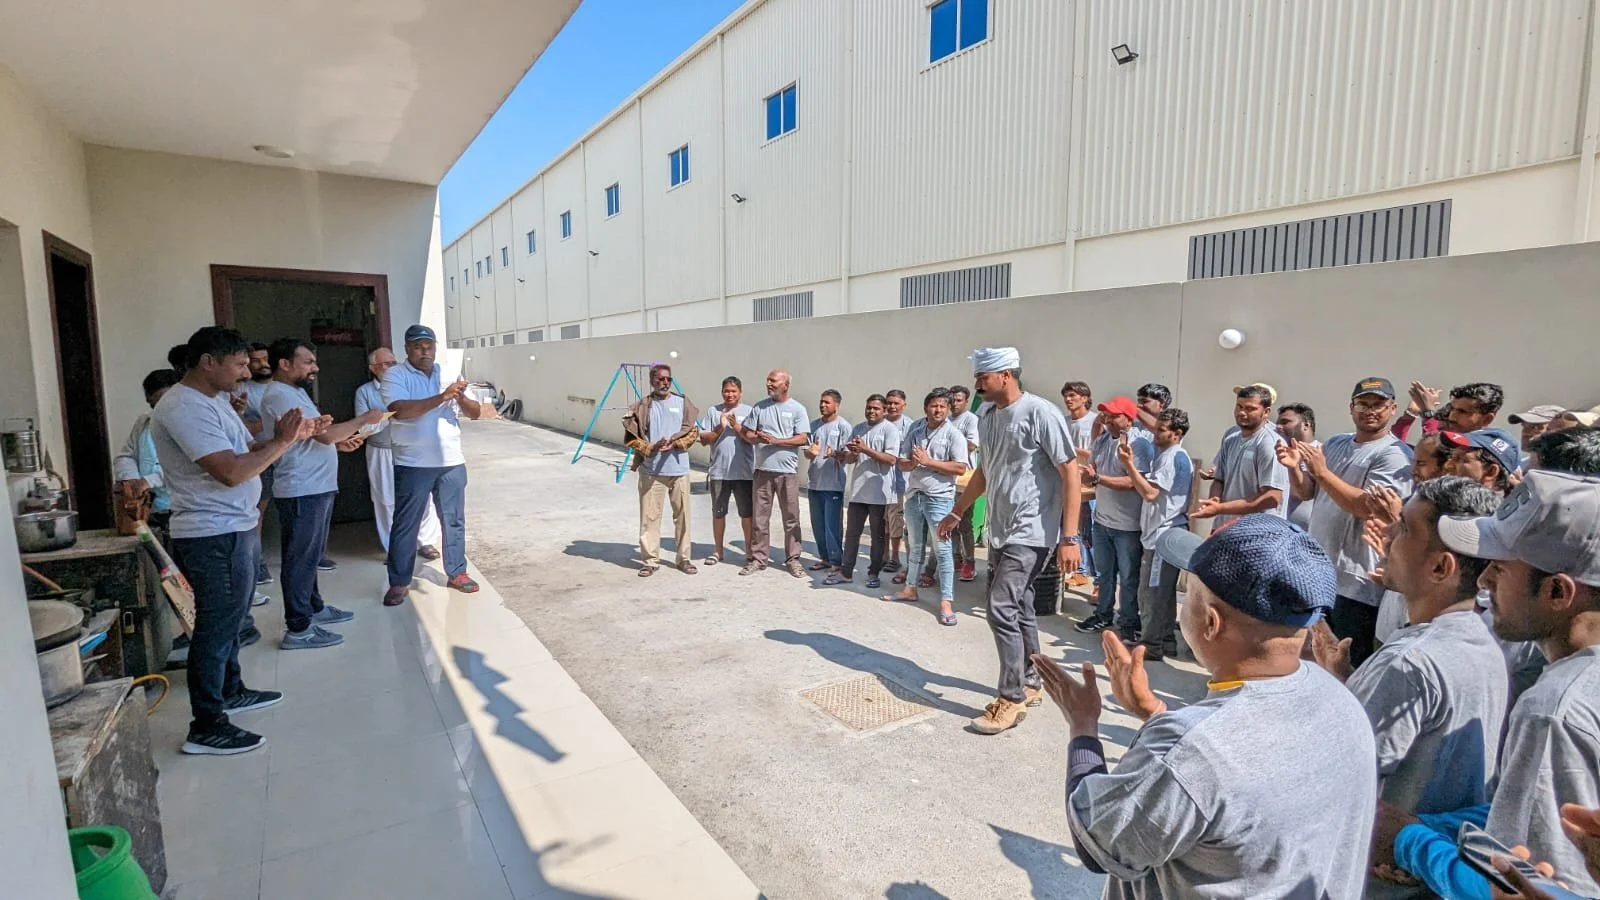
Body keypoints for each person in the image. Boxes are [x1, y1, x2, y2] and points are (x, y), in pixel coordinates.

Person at [1035, 514, 1376, 897]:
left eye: (1188, 594)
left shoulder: (1192, 749)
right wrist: (1156, 715)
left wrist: (1083, 725)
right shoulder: (1343, 701)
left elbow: (1098, 845)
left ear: (1211, 622)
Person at [1382, 470, 1600, 899]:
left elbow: (1527, 888)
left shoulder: (1553, 712)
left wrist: (1410, 843)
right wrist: (1438, 827)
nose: (1483, 582)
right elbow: (1529, 809)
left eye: (1500, 569)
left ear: (1557, 593)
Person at [1311, 476, 1507, 900]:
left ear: (1441, 567)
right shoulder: (1480, 641)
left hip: (1381, 874)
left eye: (1404, 530)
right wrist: (1345, 680)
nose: (1390, 538)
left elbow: (1339, 772)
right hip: (1434, 868)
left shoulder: (1408, 662)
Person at [151, 326, 320, 755]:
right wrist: (283, 441)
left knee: (231, 621)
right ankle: (207, 725)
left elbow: (248, 450)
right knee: (216, 627)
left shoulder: (216, 401)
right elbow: (230, 471)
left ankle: (230, 690)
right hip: (213, 531)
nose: (248, 372)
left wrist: (289, 435)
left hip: (235, 525)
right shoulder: (183, 406)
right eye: (240, 364)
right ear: (208, 361)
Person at [938, 347, 1081, 735]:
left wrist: (1070, 536)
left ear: (1006, 375)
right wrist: (957, 511)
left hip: (1033, 530)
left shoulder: (1040, 413)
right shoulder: (987, 416)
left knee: (999, 606)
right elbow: (985, 471)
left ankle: (1011, 697)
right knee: (1020, 606)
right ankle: (1032, 682)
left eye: (983, 377)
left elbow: (1071, 472)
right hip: (1001, 528)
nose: (976, 384)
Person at [1280, 377, 1415, 668]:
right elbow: (1308, 492)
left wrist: (1322, 472)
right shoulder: (1337, 443)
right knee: (1313, 658)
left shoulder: (1394, 455)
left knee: (1347, 666)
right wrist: (1294, 469)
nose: (1370, 410)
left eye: (1379, 404)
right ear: (1351, 408)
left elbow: (1368, 507)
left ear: (1392, 409)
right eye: (1363, 404)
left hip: (1358, 582)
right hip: (1319, 573)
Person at [260, 338, 383, 649]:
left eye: (314, 361)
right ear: (284, 364)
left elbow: (314, 437)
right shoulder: (280, 395)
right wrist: (363, 420)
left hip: (316, 485)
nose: (315, 367)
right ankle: (299, 628)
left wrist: (340, 443)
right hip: (302, 488)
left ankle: (313, 607)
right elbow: (324, 434)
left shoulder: (295, 392)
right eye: (308, 361)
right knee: (300, 558)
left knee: (311, 556)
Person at [381, 324, 482, 606]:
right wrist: (442, 396)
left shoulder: (450, 374)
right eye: (417, 346)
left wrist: (460, 396)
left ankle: (457, 573)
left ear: (435, 347)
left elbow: (475, 414)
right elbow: (400, 411)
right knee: (406, 523)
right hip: (412, 463)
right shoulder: (395, 375)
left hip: (451, 461)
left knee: (454, 520)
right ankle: (399, 582)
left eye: (429, 345)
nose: (425, 351)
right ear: (407, 349)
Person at [887, 388, 970, 626]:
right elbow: (902, 464)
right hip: (915, 496)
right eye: (934, 405)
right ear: (926, 408)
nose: (938, 410)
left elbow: (960, 468)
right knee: (914, 547)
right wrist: (914, 462)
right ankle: (910, 588)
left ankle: (946, 601)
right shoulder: (915, 431)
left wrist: (929, 462)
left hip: (939, 499)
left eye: (943, 406)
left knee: (942, 551)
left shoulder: (954, 435)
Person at [1075, 397, 1155, 641]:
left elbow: (1134, 482)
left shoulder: (1138, 444)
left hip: (1128, 526)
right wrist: (1090, 477)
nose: (1108, 419)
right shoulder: (1101, 440)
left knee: (1129, 578)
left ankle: (1130, 622)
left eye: (1114, 415)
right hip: (1103, 521)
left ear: (1129, 419)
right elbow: (1092, 472)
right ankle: (1103, 615)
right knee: (1104, 574)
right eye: (1106, 415)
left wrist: (1098, 479)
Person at [355, 348, 441, 559]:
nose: (391, 368)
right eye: (385, 364)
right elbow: (362, 428)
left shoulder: (406, 385)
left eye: (393, 363)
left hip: (413, 448)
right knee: (385, 499)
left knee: (422, 495)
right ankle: (394, 548)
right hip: (381, 450)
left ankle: (426, 542)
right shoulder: (364, 392)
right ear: (373, 369)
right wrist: (388, 417)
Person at [1123, 408, 1192, 662]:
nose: (1156, 433)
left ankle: (1150, 645)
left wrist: (1129, 465)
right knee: (1162, 592)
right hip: (1161, 534)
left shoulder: (1171, 456)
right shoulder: (1169, 455)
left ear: (1177, 434)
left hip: (1163, 536)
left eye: (1162, 430)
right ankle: (1165, 640)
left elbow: (1151, 493)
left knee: (1151, 593)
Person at [623, 363, 700, 577]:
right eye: (660, 379)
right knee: (649, 517)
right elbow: (630, 439)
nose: (665, 383)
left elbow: (693, 433)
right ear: (651, 381)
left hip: (679, 470)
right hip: (651, 471)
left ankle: (684, 559)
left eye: (668, 379)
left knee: (683, 516)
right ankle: (650, 560)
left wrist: (675, 444)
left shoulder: (683, 403)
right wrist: (651, 447)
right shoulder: (641, 406)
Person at [738, 369, 810, 578]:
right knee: (760, 518)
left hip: (787, 472)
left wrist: (777, 441)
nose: (769, 384)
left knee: (791, 518)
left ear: (786, 385)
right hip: (762, 471)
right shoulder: (760, 407)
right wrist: (756, 437)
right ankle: (759, 559)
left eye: (773, 381)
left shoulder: (797, 409)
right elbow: (747, 432)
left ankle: (793, 559)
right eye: (767, 381)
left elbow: (802, 438)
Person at [1194, 384, 1288, 527]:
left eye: (1250, 408)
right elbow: (1219, 479)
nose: (1242, 413)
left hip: (1256, 533)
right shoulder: (1230, 439)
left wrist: (1220, 508)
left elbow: (1272, 497)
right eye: (1239, 406)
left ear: (1266, 412)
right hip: (1225, 528)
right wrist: (1214, 501)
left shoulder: (1270, 444)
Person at [833, 394, 896, 588]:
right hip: (858, 491)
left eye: (876, 408)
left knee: (877, 536)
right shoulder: (858, 428)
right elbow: (852, 459)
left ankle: (873, 573)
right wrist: (845, 454)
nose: (871, 411)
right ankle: (846, 572)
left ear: (884, 410)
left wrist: (866, 449)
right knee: (852, 534)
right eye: (869, 407)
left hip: (879, 493)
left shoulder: (890, 430)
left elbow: (891, 459)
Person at [114, 369, 183, 532]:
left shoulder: (187, 425)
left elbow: (184, 466)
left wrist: (150, 481)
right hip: (151, 507)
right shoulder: (144, 422)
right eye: (155, 403)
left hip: (180, 508)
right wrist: (131, 479)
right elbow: (126, 455)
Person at [697, 376, 754, 566]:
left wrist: (737, 426)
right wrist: (720, 427)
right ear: (722, 392)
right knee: (718, 513)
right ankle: (718, 551)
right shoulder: (713, 411)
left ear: (740, 392)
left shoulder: (750, 412)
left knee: (747, 514)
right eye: (726, 391)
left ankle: (749, 551)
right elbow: (704, 440)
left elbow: (753, 439)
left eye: (733, 391)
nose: (730, 394)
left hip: (744, 472)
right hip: (719, 472)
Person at [937, 385, 981, 583]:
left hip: (965, 478)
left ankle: (969, 562)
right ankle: (955, 558)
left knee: (964, 523)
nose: (954, 403)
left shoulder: (971, 420)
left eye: (959, 400)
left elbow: (972, 444)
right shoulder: (944, 419)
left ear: (966, 401)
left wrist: (951, 443)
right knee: (949, 521)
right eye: (952, 400)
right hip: (946, 478)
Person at [805, 389, 851, 574]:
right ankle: (824, 558)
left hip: (833, 485)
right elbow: (807, 452)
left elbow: (849, 456)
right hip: (814, 482)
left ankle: (836, 561)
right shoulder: (814, 426)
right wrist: (811, 452)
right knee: (818, 524)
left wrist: (835, 454)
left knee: (832, 526)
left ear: (837, 405)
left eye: (827, 402)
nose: (822, 405)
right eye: (821, 402)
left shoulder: (844, 427)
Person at [1061, 381, 1096, 589]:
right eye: (1066, 395)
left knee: (1090, 533)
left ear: (1085, 398)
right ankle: (1080, 572)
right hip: (1068, 484)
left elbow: (1099, 454)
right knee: (1073, 530)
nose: (1068, 399)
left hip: (1090, 486)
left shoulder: (1094, 423)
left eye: (1073, 395)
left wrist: (1072, 450)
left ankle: (1099, 581)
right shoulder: (1063, 422)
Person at [1393, 381, 1503, 442]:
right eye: (1453, 409)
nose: (1453, 416)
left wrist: (1428, 412)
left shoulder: (1487, 447)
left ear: (1487, 419)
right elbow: (1395, 451)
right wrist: (1410, 415)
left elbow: (1434, 452)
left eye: (1462, 411)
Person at [882, 389, 911, 577]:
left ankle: (895, 557)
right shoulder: (879, 423)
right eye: (889, 403)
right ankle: (882, 555)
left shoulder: (909, 426)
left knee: (895, 520)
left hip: (898, 482)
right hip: (878, 482)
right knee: (881, 520)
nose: (892, 406)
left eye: (896, 403)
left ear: (903, 405)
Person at [1442, 427, 1521, 495]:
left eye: (1461, 459)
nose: (1448, 465)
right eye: (1451, 457)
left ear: (1491, 472)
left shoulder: (1500, 512)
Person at [1277, 403, 1319, 528]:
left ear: (1306, 425)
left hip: (1307, 534)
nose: (1278, 427)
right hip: (1280, 531)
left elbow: (1304, 494)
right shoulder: (1279, 453)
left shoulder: (1322, 453)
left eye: (1285, 422)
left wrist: (1293, 467)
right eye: (1278, 423)